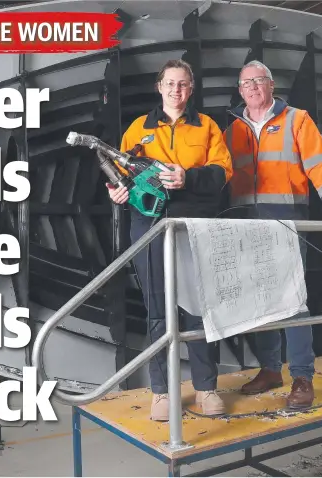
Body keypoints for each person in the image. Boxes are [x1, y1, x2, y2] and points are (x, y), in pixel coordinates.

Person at [223, 60, 322, 409]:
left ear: (271, 85)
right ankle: (270, 369)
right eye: (245, 83)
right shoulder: (233, 128)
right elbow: (221, 174)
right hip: (246, 223)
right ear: (240, 91)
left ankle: (301, 377)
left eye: (258, 81)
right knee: (259, 300)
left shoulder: (297, 118)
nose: (252, 87)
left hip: (287, 221)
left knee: (293, 303)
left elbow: (318, 166)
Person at [107, 59, 233, 421]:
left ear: (191, 89)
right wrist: (117, 191)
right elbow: (121, 173)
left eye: (183, 85)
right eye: (170, 84)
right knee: (157, 308)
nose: (176, 90)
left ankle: (207, 388)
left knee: (196, 307)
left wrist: (188, 179)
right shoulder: (139, 128)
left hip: (194, 223)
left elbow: (223, 171)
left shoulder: (207, 127)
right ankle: (161, 393)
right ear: (159, 87)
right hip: (148, 224)